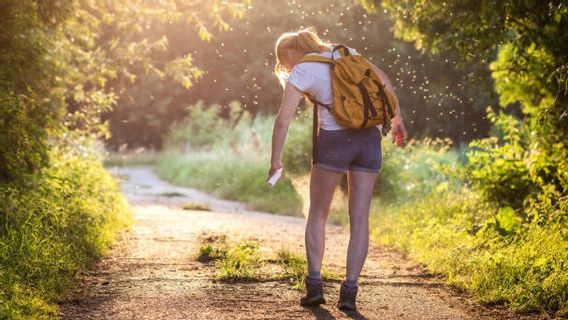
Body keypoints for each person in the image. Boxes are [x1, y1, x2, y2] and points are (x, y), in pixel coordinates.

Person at [268, 28, 407, 311]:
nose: (286, 68)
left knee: (318, 213)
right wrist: (396, 120)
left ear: (288, 54)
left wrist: (275, 160)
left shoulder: (303, 69)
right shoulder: (346, 53)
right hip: (369, 140)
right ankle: (349, 293)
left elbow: (283, 120)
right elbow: (385, 80)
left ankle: (315, 288)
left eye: (284, 62)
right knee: (360, 219)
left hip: (334, 142)